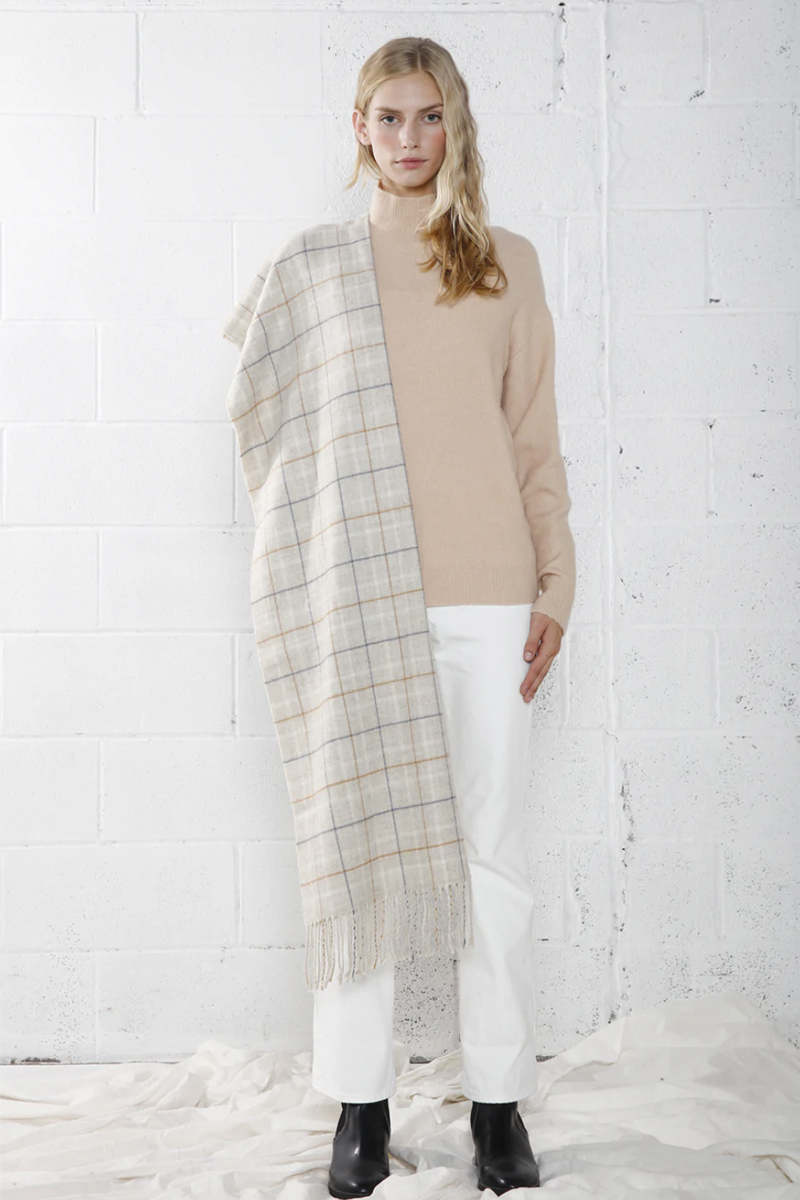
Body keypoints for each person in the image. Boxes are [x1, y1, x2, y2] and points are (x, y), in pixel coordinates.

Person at [309, 36, 577, 1199]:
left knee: (490, 857)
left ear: (454, 125)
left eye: (428, 118)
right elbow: (284, 441)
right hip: (361, 597)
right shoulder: (321, 267)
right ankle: (358, 1110)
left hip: (485, 593)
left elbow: (532, 440)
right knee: (357, 855)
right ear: (358, 126)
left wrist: (553, 583)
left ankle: (498, 1108)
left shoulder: (505, 264)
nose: (407, 139)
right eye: (388, 117)